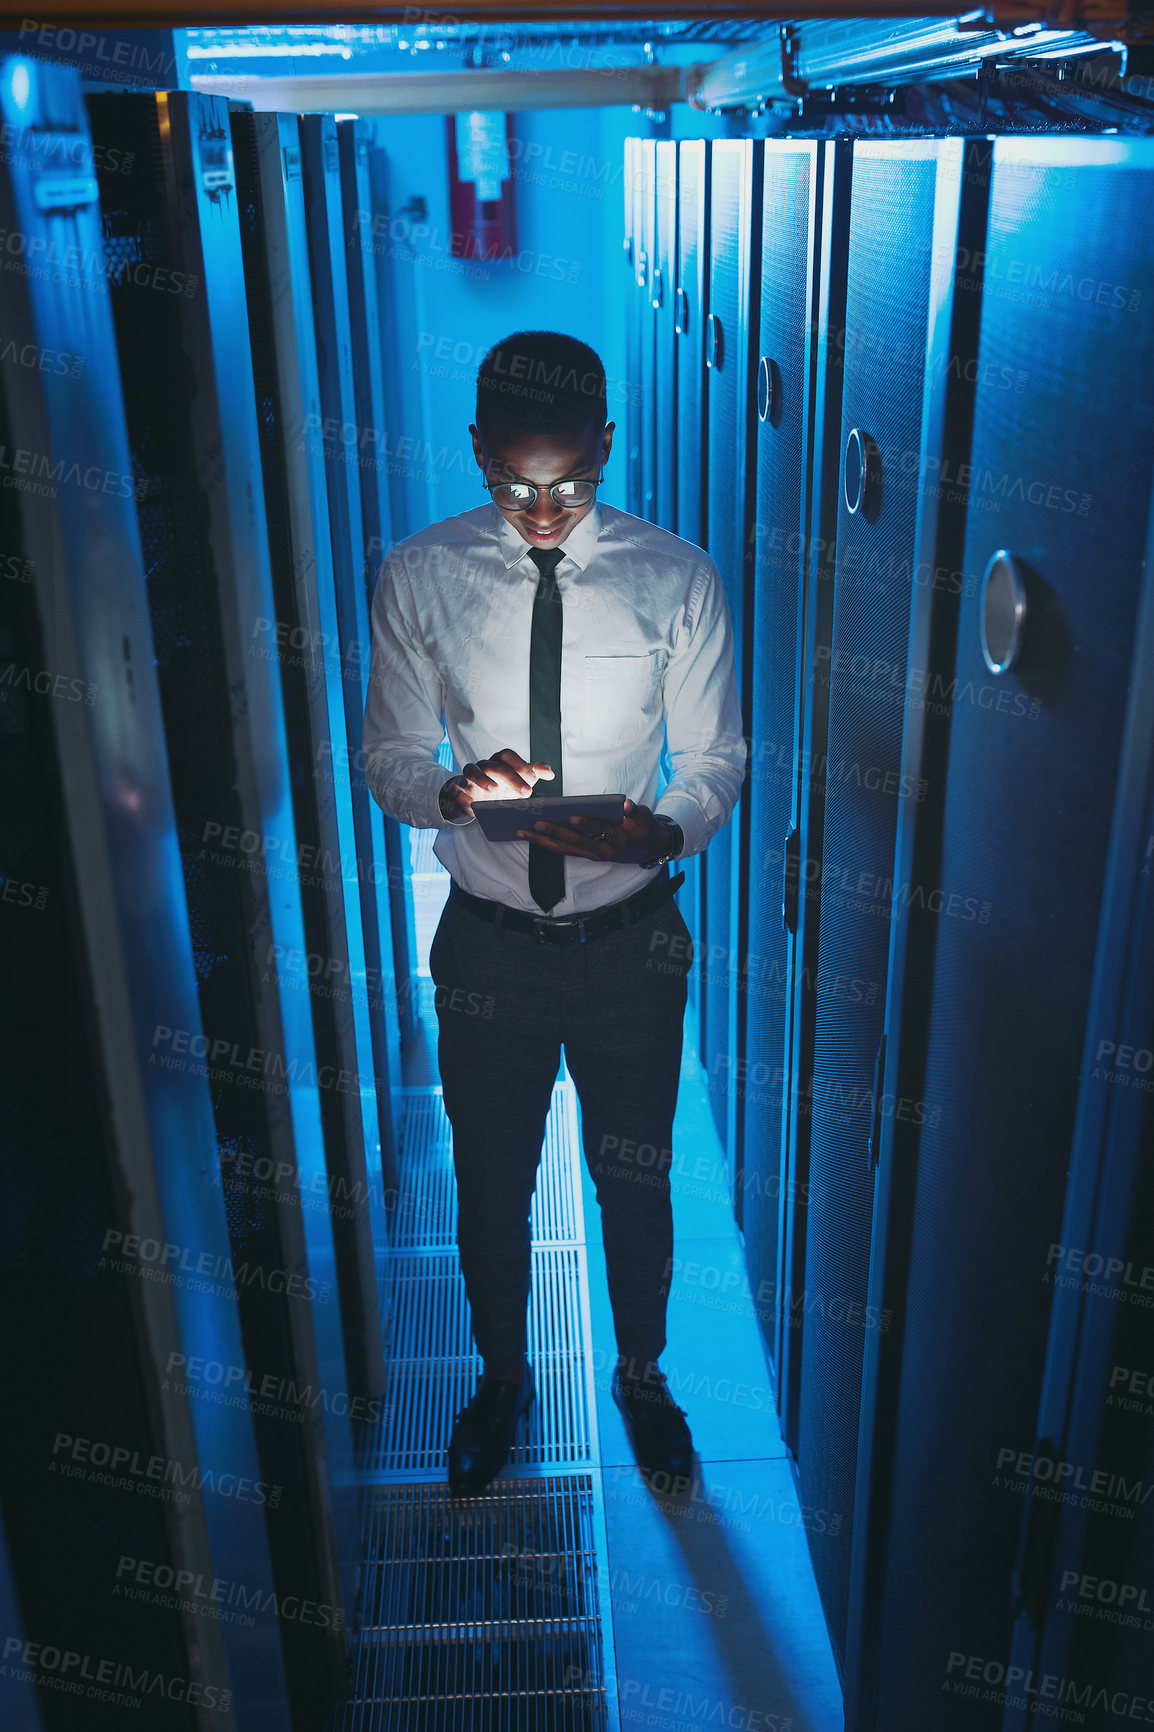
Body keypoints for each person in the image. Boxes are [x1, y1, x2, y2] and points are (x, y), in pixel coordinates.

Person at [363, 330, 746, 1497]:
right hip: (489, 946)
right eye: (516, 485)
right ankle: (498, 1378)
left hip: (632, 941)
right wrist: (448, 789)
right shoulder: (419, 575)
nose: (543, 508)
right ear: (476, 451)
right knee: (490, 1175)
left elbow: (717, 756)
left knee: (633, 1179)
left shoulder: (674, 578)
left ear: (606, 449)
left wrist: (663, 828)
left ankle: (639, 1375)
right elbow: (381, 753)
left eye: (571, 484)